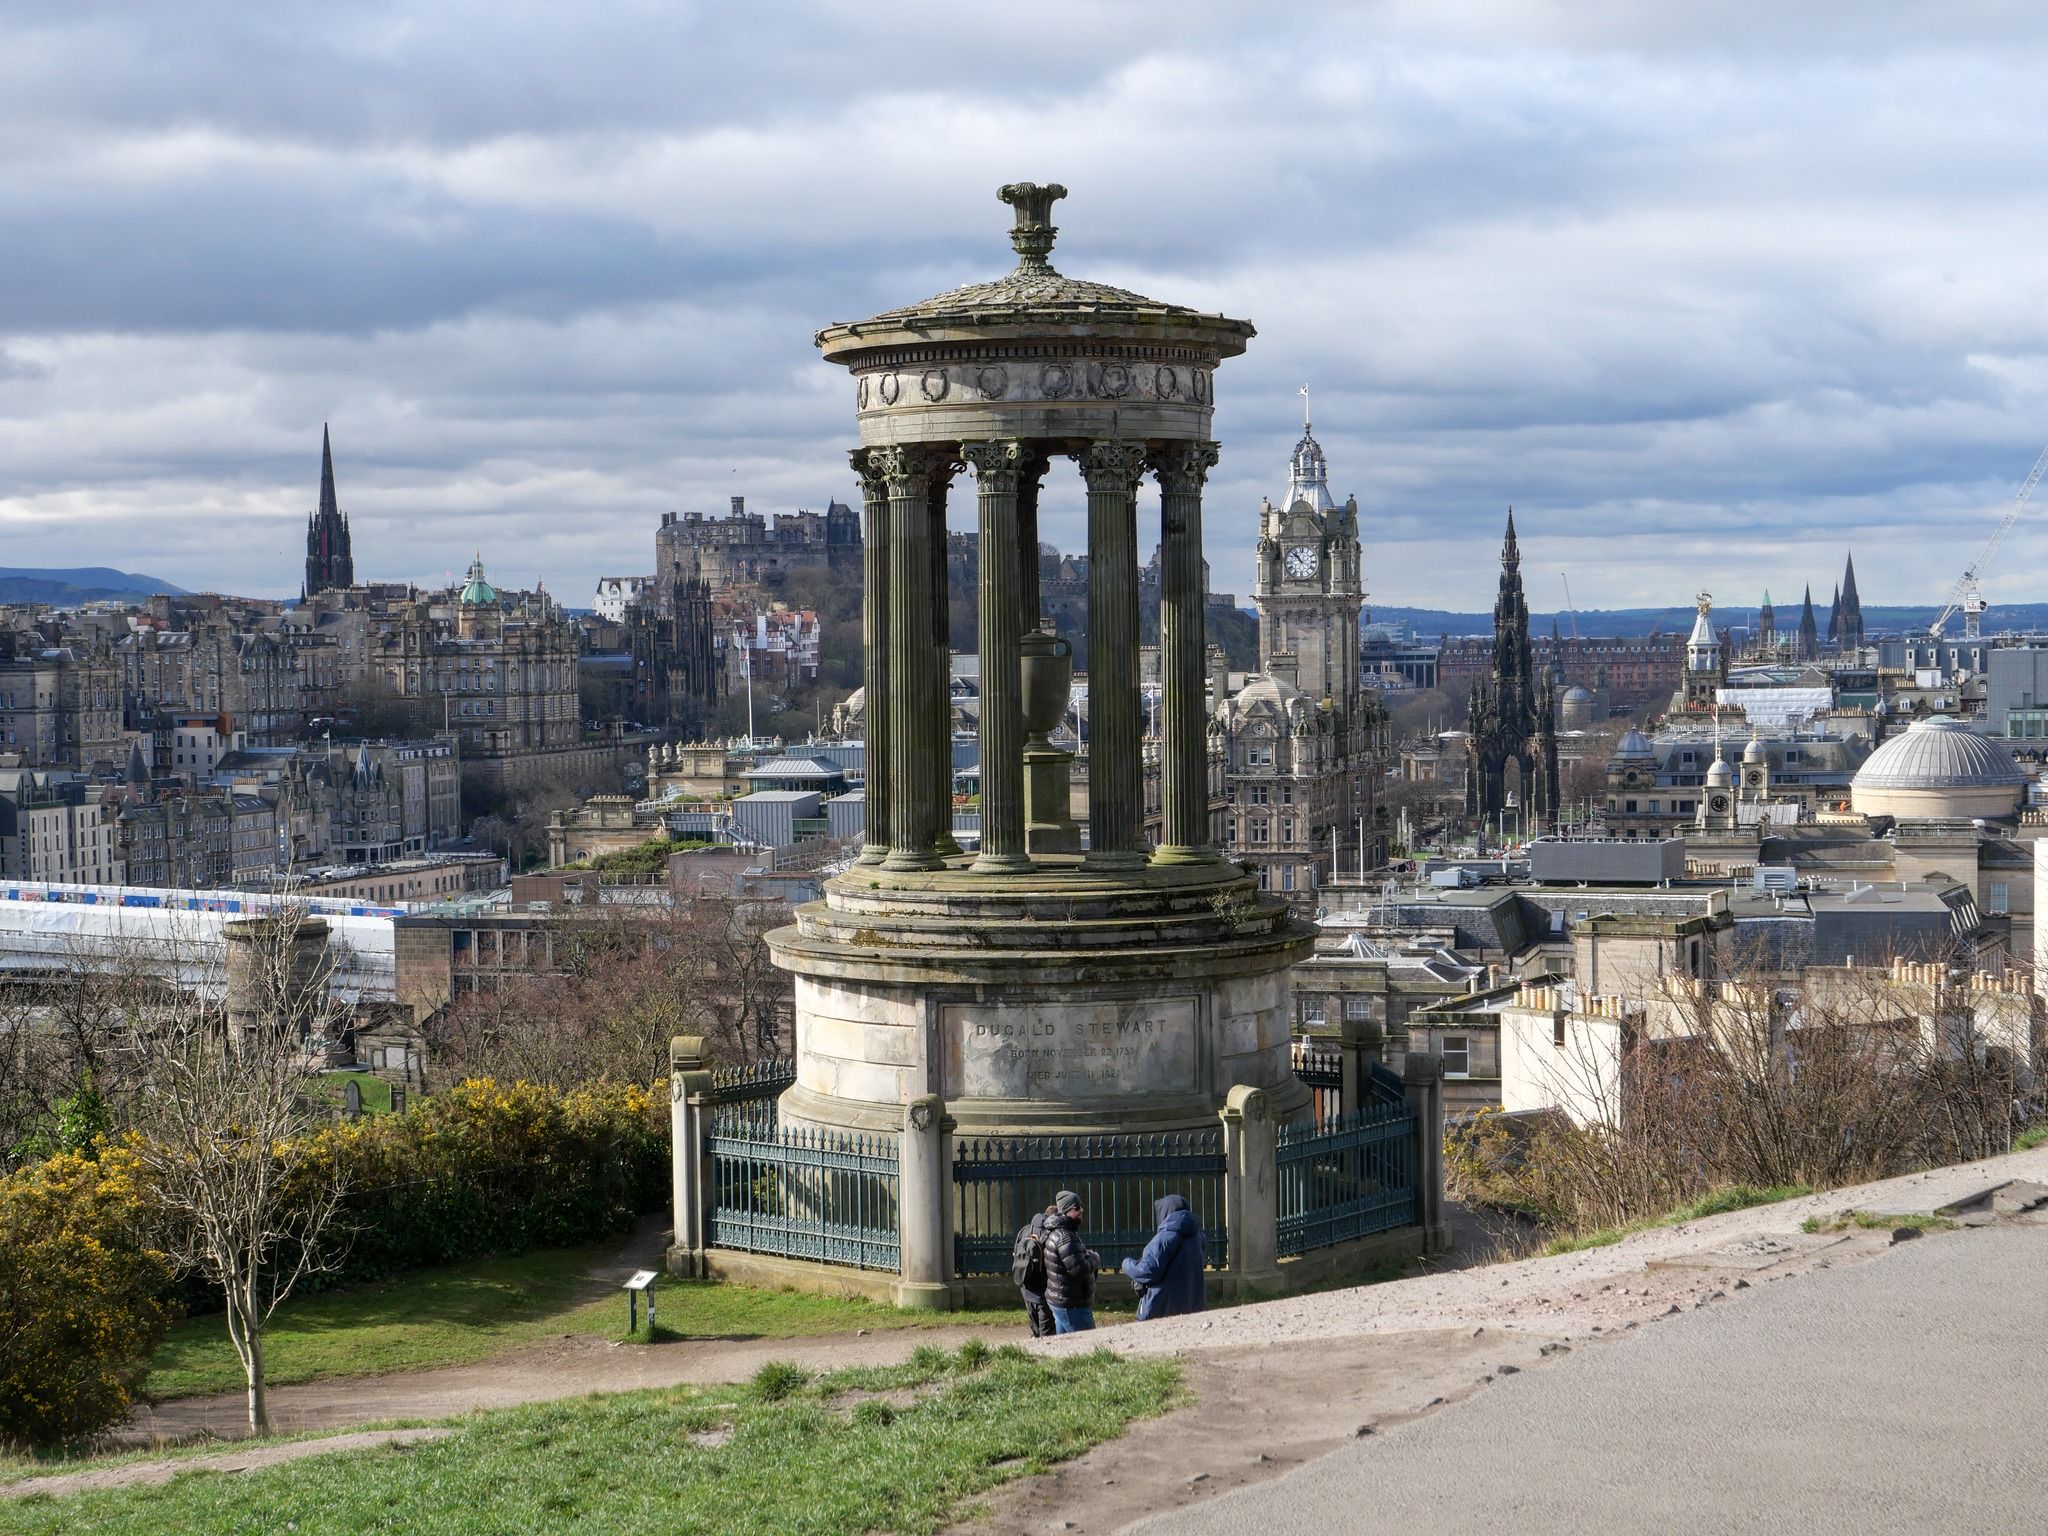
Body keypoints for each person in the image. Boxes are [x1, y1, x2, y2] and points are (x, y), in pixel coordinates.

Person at [1121, 1193, 1206, 1320]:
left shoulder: (1166, 1237)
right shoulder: (1196, 1238)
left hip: (1161, 1309)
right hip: (1192, 1307)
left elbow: (1147, 1271)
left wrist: (1126, 1264)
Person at [1041, 1189, 1100, 1333]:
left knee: (1066, 1347)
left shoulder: (1060, 1231)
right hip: (1071, 1303)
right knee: (1089, 1346)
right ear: (1067, 1211)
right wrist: (1095, 1259)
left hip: (1061, 1299)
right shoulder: (1065, 1236)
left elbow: (1070, 1260)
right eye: (1077, 1208)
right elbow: (1078, 1269)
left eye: (1081, 1206)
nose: (1081, 1210)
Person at [1011, 1208, 1055, 1338]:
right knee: (1048, 1336)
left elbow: (1016, 1254)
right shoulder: (1050, 1233)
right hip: (1043, 1293)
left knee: (1035, 1332)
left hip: (1026, 1290)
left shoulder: (1024, 1230)